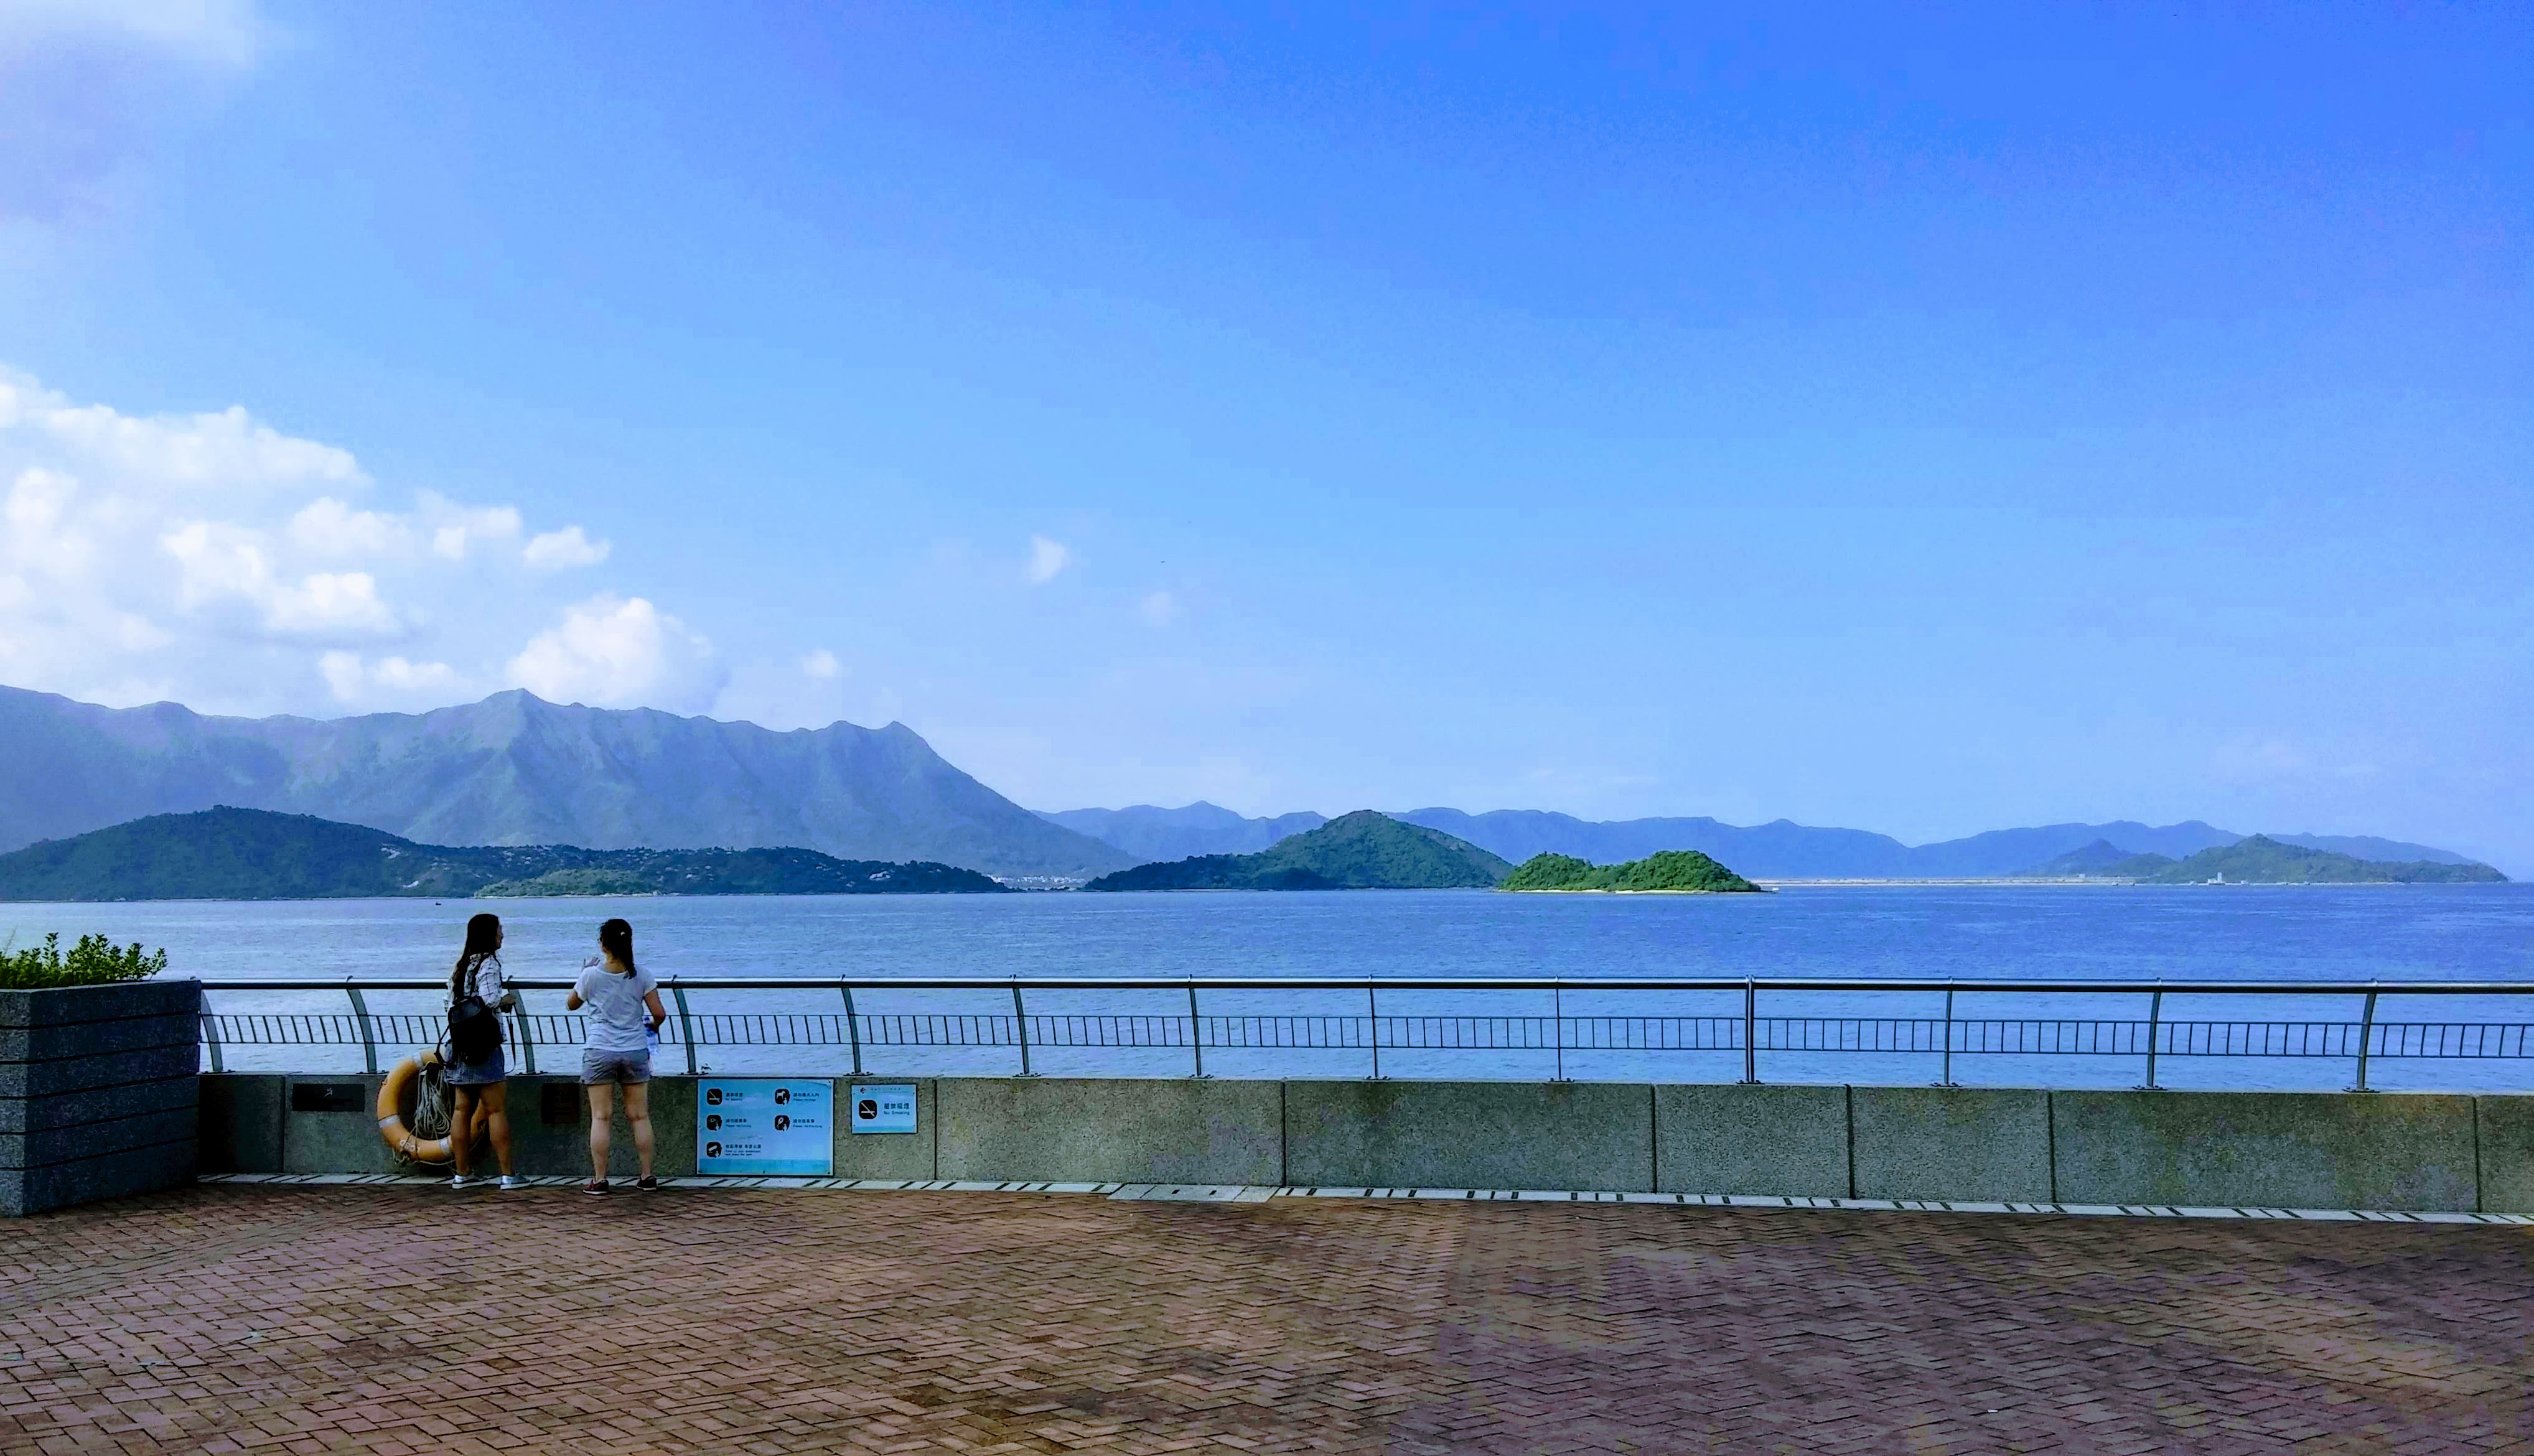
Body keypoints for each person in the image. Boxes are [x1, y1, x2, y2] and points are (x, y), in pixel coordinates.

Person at [566, 917, 668, 1194]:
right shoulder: (642, 975)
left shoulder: (591, 975)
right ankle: (647, 1176)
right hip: (634, 1049)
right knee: (639, 1116)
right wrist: (652, 1027)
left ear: (603, 945)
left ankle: (599, 1180)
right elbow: (659, 1013)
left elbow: (572, 1004)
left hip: (600, 1049)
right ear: (629, 942)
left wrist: (583, 973)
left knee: (601, 1117)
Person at [444, 912, 520, 1191]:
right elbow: (489, 1000)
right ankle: (508, 1175)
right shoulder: (489, 964)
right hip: (485, 1047)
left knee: (461, 1110)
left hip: (461, 1045)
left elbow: (449, 1003)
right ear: (489, 934)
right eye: (500, 930)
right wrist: (507, 999)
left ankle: (462, 1174)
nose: (503, 935)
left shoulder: (460, 966)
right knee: (496, 1110)